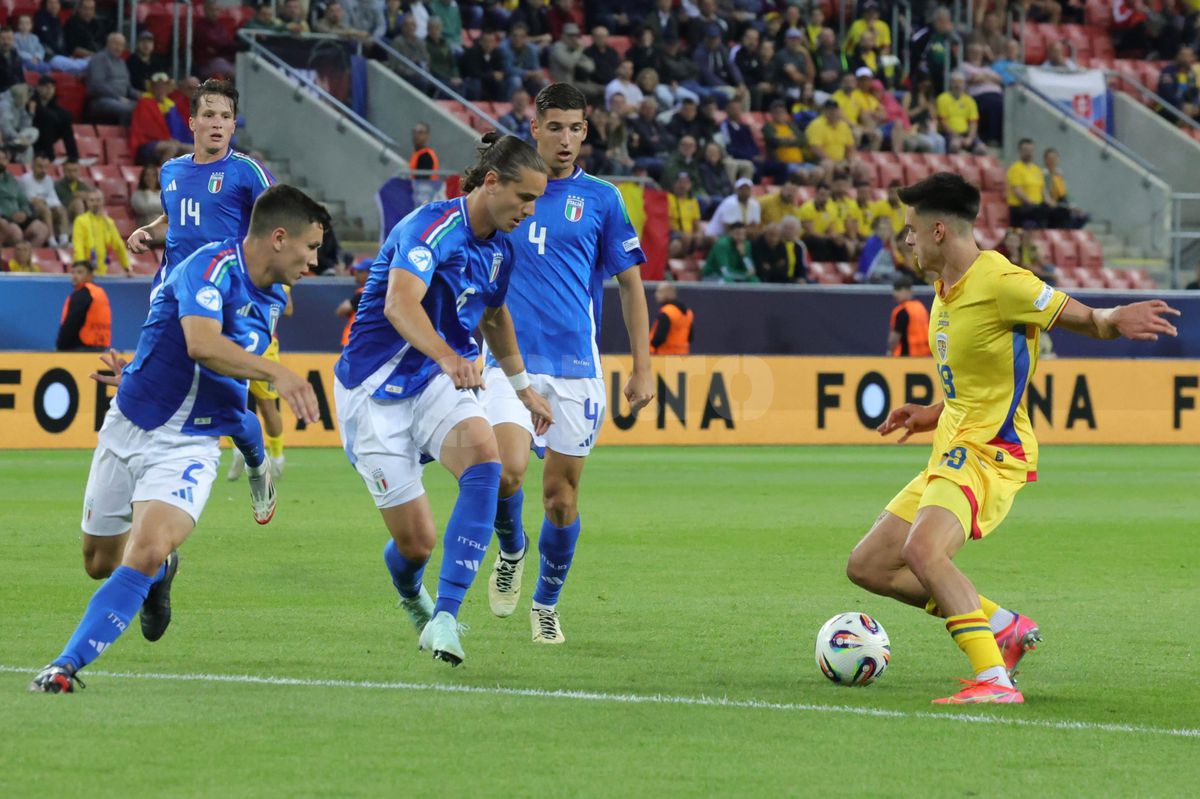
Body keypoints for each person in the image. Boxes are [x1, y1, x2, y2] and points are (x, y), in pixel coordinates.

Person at [844, 172, 1180, 705]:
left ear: (936, 231)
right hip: (951, 444)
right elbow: (976, 382)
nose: (903, 240)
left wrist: (1116, 315)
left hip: (991, 450)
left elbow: (1085, 318)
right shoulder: (942, 292)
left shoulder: (1002, 281)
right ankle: (1002, 625)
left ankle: (994, 680)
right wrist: (931, 412)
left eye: (909, 230)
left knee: (924, 552)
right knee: (868, 565)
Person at [28, 185, 327, 694]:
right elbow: (200, 343)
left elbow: (222, 376)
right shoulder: (209, 266)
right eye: (312, 248)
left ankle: (63, 667)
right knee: (100, 564)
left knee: (140, 551)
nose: (315, 262)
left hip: (188, 444)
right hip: (130, 424)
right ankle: (164, 570)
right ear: (280, 238)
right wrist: (278, 373)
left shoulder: (274, 298)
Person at [335, 132, 552, 666]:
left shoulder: (501, 251)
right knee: (417, 545)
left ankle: (447, 619)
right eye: (524, 198)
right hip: (373, 392)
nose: (529, 211)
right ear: (493, 182)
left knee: (487, 463)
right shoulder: (429, 228)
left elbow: (496, 319)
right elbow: (399, 303)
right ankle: (413, 595)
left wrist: (523, 390)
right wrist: (447, 356)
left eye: (536, 202)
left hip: (437, 383)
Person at [477, 83, 654, 645]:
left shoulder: (603, 198)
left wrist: (642, 366)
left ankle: (546, 603)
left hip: (577, 366)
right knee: (505, 470)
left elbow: (630, 284)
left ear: (587, 129)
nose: (566, 139)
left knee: (560, 498)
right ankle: (510, 547)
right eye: (555, 127)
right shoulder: (506, 189)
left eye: (576, 128)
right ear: (535, 127)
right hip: (511, 362)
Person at [128, 80, 276, 291]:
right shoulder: (171, 170)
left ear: (233, 125)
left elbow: (280, 220)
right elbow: (173, 222)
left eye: (225, 116)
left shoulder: (248, 170)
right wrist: (148, 232)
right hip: (173, 288)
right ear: (192, 123)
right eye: (208, 115)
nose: (218, 123)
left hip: (225, 291)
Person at [84, 32, 140, 125]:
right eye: (116, 44)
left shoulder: (122, 62)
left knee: (147, 107)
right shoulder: (99, 59)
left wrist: (143, 96)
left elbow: (128, 88)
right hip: (100, 100)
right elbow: (97, 85)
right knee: (127, 109)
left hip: (121, 100)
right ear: (108, 43)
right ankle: (127, 138)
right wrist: (118, 98)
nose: (119, 48)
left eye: (121, 45)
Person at [57, 260, 112, 351]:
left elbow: (71, 323)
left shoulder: (82, 294)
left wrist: (61, 347)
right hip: (100, 345)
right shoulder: (99, 293)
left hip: (81, 346)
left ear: (90, 275)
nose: (75, 276)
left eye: (80, 272)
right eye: (73, 272)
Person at [0, 148, 50, 247]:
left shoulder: (11, 179)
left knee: (42, 230)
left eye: (3, 159)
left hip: (19, 217)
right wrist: (8, 215)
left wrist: (24, 213)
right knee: (16, 233)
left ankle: (27, 258)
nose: (0, 162)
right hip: (4, 219)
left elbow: (22, 200)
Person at [74, 189, 130, 276]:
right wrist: (82, 269)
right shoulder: (80, 221)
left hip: (102, 273)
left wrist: (127, 268)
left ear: (103, 201)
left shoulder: (109, 223)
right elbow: (78, 246)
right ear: (87, 202)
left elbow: (119, 246)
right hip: (85, 274)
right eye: (92, 200)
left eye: (98, 200)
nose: (95, 203)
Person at [19, 153, 69, 246]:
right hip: (29, 212)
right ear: (33, 166)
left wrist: (44, 201)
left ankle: (64, 240)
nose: (43, 170)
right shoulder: (25, 179)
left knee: (61, 209)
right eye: (40, 167)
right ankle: (51, 240)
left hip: (44, 208)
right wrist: (44, 202)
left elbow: (55, 201)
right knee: (44, 209)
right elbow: (31, 200)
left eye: (46, 167)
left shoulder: (48, 180)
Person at [29, 75, 79, 163]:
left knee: (66, 120)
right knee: (48, 120)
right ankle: (50, 157)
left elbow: (61, 113)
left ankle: (73, 157)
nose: (50, 90)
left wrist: (67, 117)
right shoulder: (32, 100)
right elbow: (41, 113)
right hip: (33, 133)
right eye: (46, 87)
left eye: (52, 87)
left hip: (47, 135)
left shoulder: (53, 103)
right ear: (38, 88)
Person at [937, 73, 987, 155]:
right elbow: (943, 122)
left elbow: (973, 122)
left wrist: (970, 138)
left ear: (964, 84)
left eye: (960, 82)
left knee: (982, 149)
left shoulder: (970, 100)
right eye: (955, 82)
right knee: (955, 145)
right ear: (950, 84)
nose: (958, 85)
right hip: (949, 133)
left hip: (966, 132)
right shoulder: (942, 99)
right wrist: (957, 137)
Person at [1006, 137, 1050, 229]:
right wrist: (1030, 202)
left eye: (1031, 150)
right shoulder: (1015, 168)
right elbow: (1017, 191)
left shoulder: (1037, 169)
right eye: (1026, 150)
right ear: (1020, 151)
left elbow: (1043, 189)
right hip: (1020, 207)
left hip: (1036, 206)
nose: (1029, 153)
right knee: (1040, 212)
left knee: (1060, 212)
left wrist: (1049, 202)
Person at [887, 275, 930, 356]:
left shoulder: (902, 311)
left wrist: (890, 351)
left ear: (908, 290)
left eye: (899, 290)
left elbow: (894, 339)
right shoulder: (921, 307)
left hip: (906, 356)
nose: (895, 294)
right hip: (924, 356)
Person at [649, 282, 694, 354]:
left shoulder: (667, 312)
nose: (656, 295)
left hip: (664, 357)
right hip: (683, 357)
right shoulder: (688, 313)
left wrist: (650, 347)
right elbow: (690, 337)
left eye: (659, 292)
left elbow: (660, 337)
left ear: (667, 294)